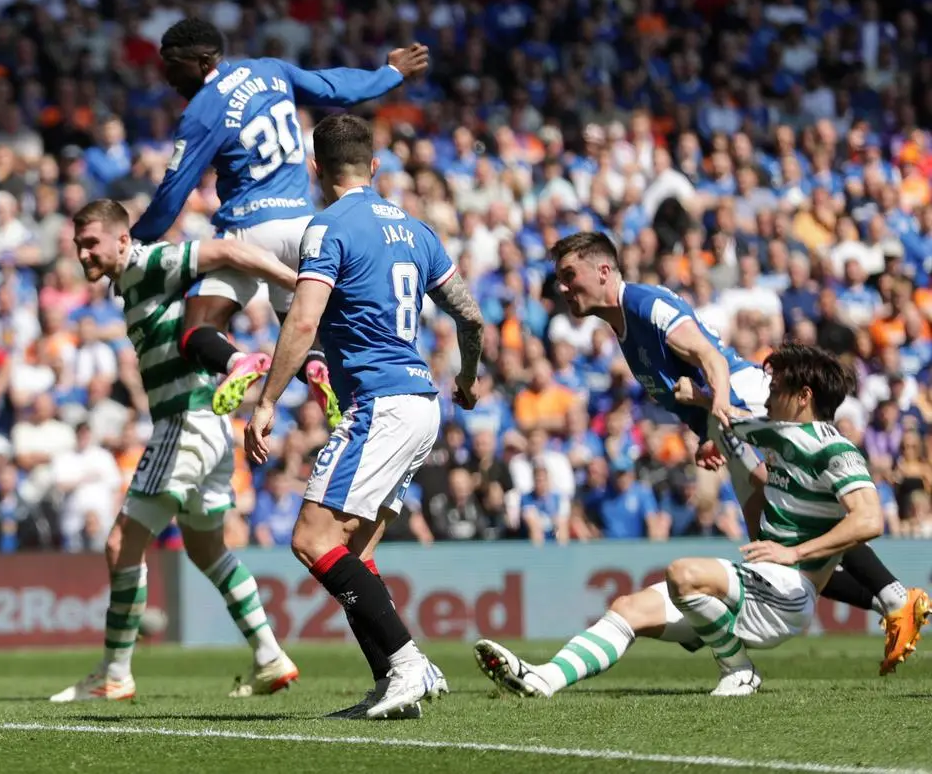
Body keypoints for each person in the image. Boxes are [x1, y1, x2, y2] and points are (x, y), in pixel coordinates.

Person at [547, 231, 928, 674]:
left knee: (792, 531)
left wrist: (719, 413)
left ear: (603, 271)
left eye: (569, 275)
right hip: (725, 423)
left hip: (745, 400)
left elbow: (711, 357)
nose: (562, 287)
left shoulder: (643, 304)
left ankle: (895, 599)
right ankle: (892, 601)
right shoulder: (623, 329)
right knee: (775, 543)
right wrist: (709, 431)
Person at [244, 114, 486, 720]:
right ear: (374, 167)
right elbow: (472, 317)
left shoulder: (327, 228)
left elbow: (302, 321)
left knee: (311, 539)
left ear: (316, 171)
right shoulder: (417, 230)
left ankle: (409, 664)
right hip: (422, 404)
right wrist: (467, 378)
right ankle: (392, 681)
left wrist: (268, 399)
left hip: (379, 403)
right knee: (356, 548)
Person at [474, 344, 885, 697]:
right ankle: (544, 678)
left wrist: (794, 551)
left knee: (683, 574)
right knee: (628, 608)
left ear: (803, 396)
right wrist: (706, 404)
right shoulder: (787, 438)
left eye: (776, 391)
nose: (769, 399)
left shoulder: (834, 448)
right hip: (758, 582)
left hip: (787, 593)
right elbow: (740, 423)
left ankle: (738, 669)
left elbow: (869, 519)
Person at [49, 199, 298, 703]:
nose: (83, 254)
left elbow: (226, 249)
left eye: (92, 243)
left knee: (121, 544)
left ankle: (115, 672)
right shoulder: (131, 282)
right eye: (78, 245)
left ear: (122, 239)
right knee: (209, 550)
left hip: (183, 422)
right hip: (210, 426)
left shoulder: (146, 262)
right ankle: (270, 655)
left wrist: (291, 280)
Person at [130, 17, 430, 429]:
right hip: (303, 227)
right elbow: (335, 89)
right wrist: (390, 72)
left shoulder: (202, 111)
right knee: (302, 329)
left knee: (196, 327)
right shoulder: (271, 70)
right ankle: (317, 368)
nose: (168, 76)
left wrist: (133, 245)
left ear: (202, 62)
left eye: (173, 65)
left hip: (248, 231)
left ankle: (238, 361)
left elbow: (171, 196)